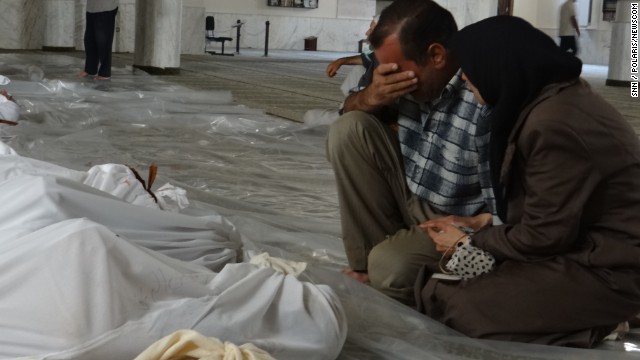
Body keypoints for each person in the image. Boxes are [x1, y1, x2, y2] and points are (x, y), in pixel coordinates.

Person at [420, 15, 640, 348]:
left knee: (460, 307)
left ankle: (607, 320)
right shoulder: (548, 100)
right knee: (445, 287)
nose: (463, 77)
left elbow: (544, 235)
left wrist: (472, 242)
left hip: (612, 269)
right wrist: (479, 227)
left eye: (470, 66)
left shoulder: (554, 123)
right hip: (584, 248)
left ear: (499, 65)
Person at [326, 0, 494, 306]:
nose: (390, 78)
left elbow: (511, 215)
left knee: (390, 269)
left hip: (456, 223)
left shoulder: (482, 95)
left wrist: (475, 228)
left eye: (397, 70)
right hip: (415, 193)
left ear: (436, 55)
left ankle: (389, 267)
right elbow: (347, 111)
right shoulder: (400, 80)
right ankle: (368, 264)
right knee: (349, 128)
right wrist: (371, 95)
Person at [80, 0, 119, 80]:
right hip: (92, 8)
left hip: (106, 8)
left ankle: (105, 73)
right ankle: (90, 69)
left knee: (103, 41)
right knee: (89, 40)